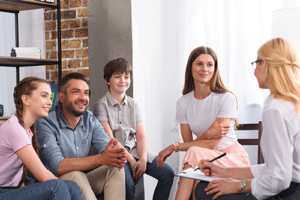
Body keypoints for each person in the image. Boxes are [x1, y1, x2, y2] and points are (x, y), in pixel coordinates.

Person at [195, 37, 300, 200]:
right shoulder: (291, 102)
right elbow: (277, 168)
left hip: (290, 193)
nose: (254, 70)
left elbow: (280, 179)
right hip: (292, 186)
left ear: (264, 64)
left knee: (204, 190)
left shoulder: (275, 108)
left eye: (256, 63)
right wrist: (224, 171)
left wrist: (238, 186)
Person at [157, 46, 250, 200]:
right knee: (193, 158)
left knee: (193, 154)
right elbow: (190, 143)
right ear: (191, 67)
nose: (204, 69)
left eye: (209, 64)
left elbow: (210, 145)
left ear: (215, 68)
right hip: (204, 158)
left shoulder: (226, 98)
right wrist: (208, 134)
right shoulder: (183, 102)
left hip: (231, 158)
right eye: (199, 64)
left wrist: (173, 147)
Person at [35, 72, 127, 200]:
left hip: (83, 179)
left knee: (115, 170)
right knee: (76, 175)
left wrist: (113, 155)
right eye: (76, 92)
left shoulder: (89, 118)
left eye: (86, 92)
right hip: (54, 183)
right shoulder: (45, 122)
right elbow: (57, 166)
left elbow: (109, 150)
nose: (83, 97)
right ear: (61, 97)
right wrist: (101, 159)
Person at [93, 58, 175, 200]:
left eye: (126, 77)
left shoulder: (133, 104)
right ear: (107, 80)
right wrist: (131, 160)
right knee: (127, 184)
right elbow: (110, 138)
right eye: (117, 76)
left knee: (168, 174)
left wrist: (143, 159)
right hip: (116, 153)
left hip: (136, 150)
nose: (123, 80)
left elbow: (141, 136)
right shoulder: (100, 105)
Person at [0, 77, 82, 200]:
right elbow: (43, 175)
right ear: (26, 100)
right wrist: (62, 187)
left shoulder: (26, 130)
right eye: (44, 96)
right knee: (58, 186)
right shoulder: (14, 129)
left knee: (71, 185)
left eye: (50, 97)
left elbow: (18, 177)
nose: (50, 102)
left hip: (11, 190)